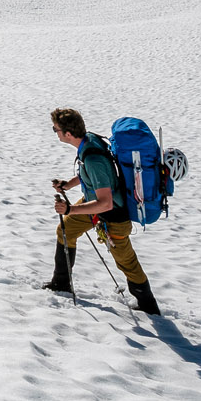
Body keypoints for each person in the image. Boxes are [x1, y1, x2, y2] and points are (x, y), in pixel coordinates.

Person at [47, 107, 159, 314]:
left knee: (126, 262)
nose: (55, 132)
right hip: (94, 206)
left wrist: (70, 208)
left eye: (56, 130)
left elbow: (105, 202)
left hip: (113, 216)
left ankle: (148, 305)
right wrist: (68, 185)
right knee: (66, 230)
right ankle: (60, 283)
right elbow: (90, 176)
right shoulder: (88, 142)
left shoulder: (93, 158)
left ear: (68, 134)